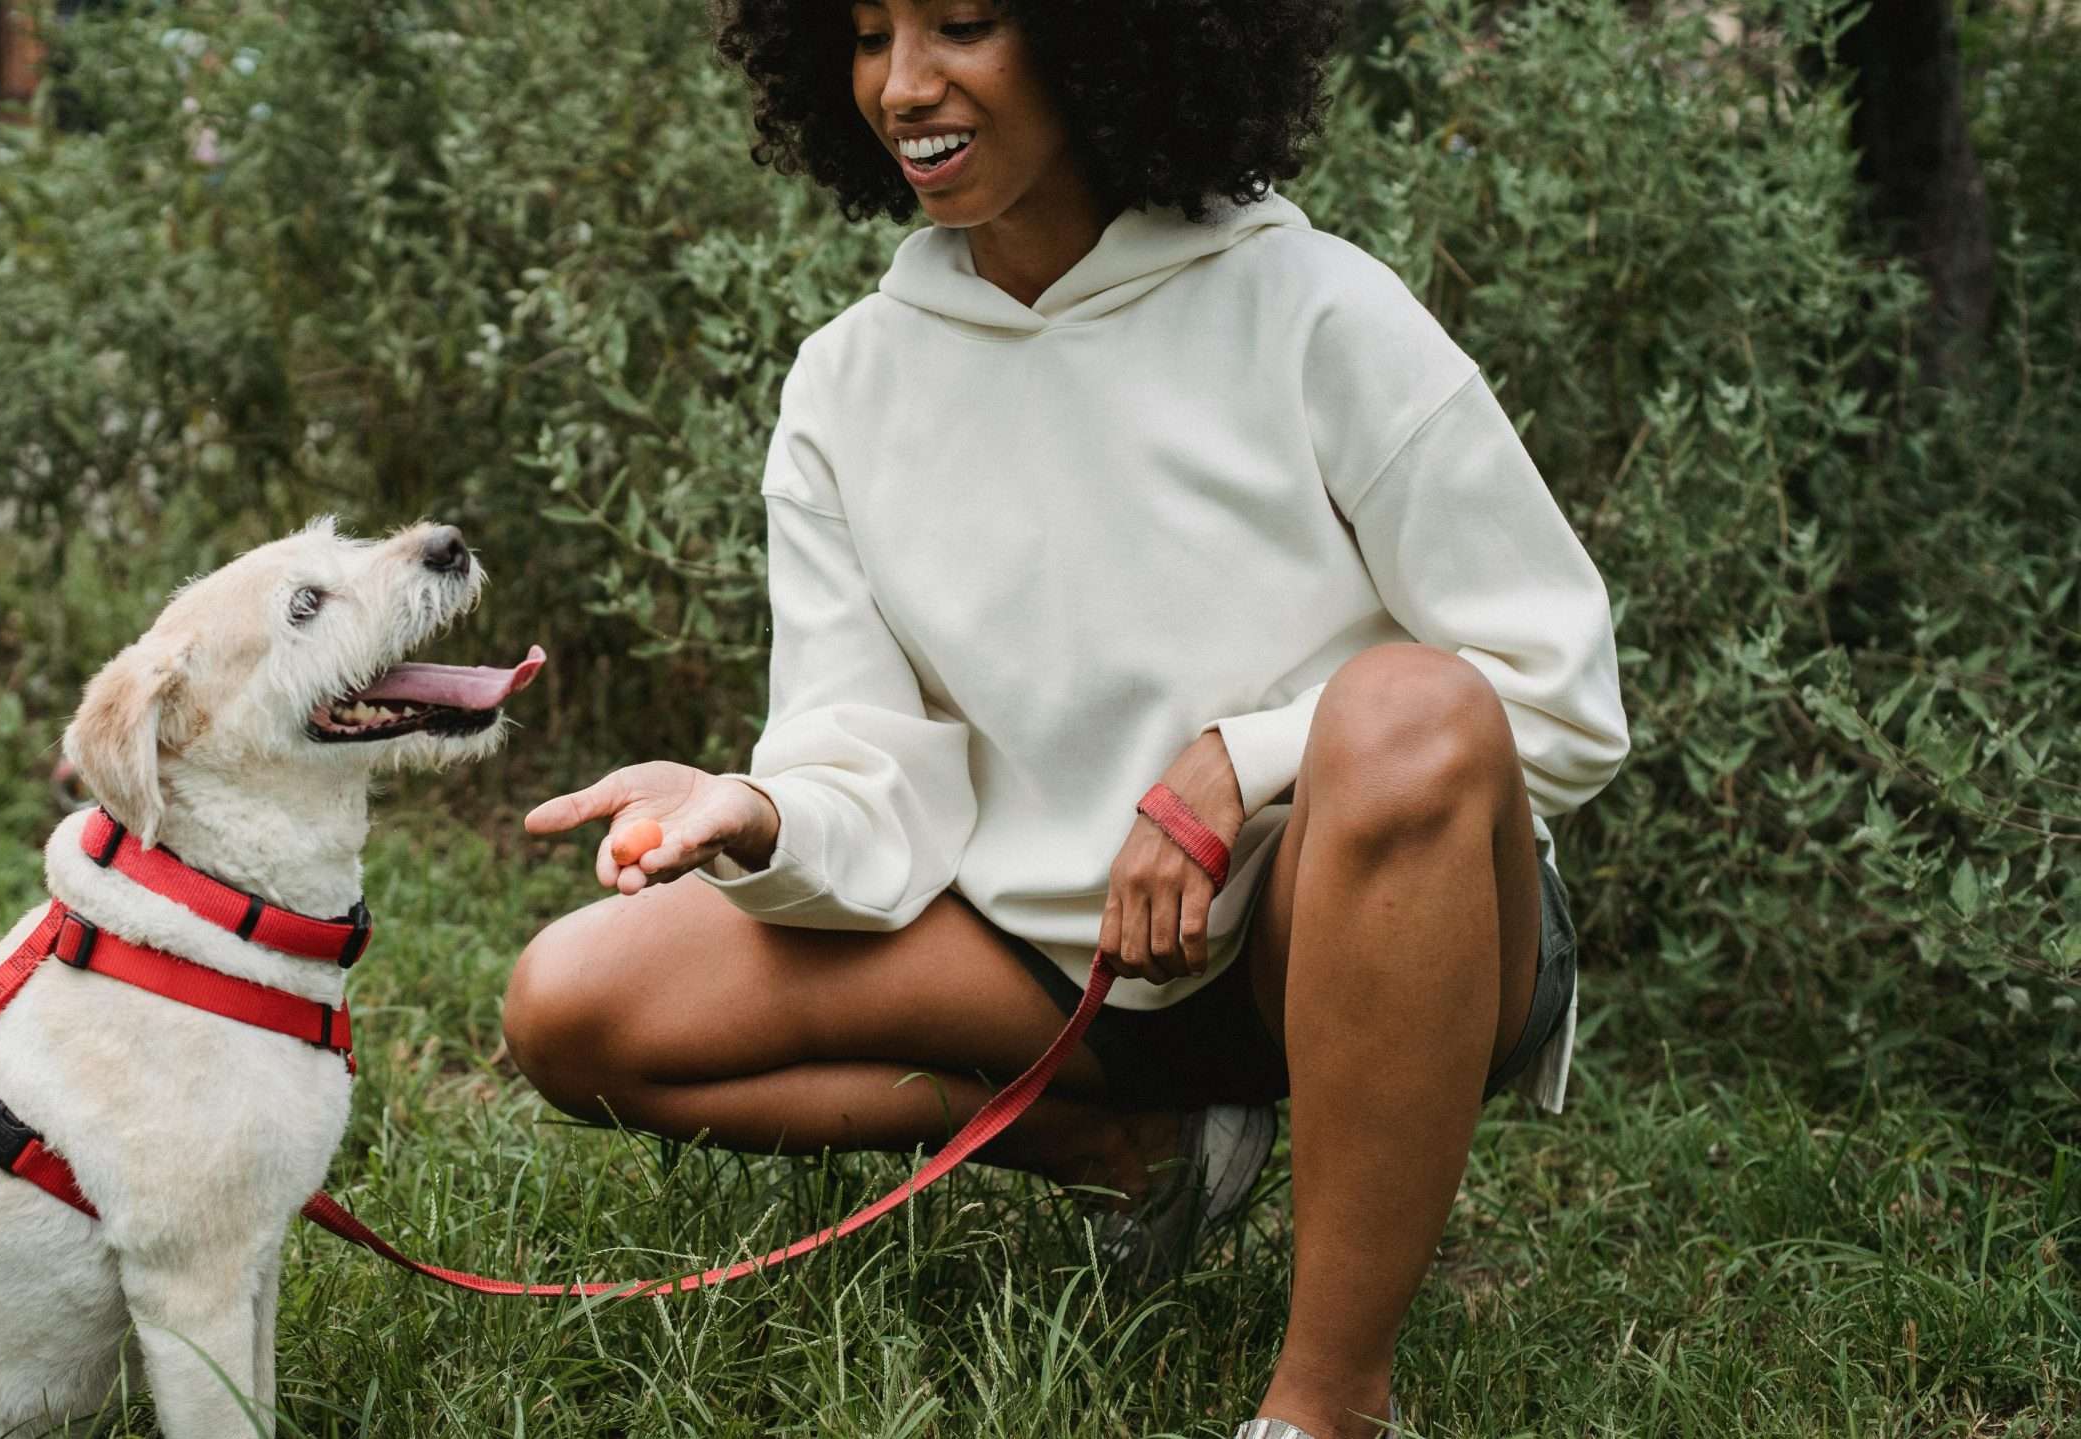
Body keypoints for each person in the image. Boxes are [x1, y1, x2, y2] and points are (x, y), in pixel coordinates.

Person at [504, 3, 1629, 1435]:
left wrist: (1243, 768)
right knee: (575, 1007)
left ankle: (1329, 1400)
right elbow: (871, 765)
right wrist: (766, 809)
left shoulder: (1317, 307)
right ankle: (1135, 1150)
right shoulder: (849, 384)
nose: (904, 85)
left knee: (1409, 706)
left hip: (1344, 939)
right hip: (1059, 969)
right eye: (864, 34)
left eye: (965, 22)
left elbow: (1556, 692)